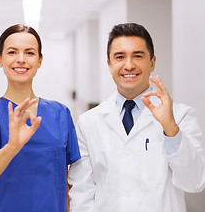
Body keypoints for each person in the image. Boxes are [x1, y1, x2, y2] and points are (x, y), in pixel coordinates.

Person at [68, 22, 205, 212]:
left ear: (152, 62)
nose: (129, 65)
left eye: (138, 56)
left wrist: (171, 129)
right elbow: (82, 194)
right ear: (109, 64)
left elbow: (194, 182)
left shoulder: (181, 116)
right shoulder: (88, 122)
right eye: (120, 57)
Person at [0, 24, 81, 211]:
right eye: (12, 52)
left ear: (40, 60)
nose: (21, 59)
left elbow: (67, 185)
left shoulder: (60, 114)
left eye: (30, 53)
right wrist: (12, 147)